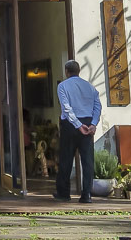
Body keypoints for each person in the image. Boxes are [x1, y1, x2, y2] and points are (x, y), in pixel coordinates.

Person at [54, 60, 102, 203]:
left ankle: (64, 193)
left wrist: (77, 124)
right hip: (87, 123)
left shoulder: (62, 86)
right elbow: (97, 106)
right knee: (87, 161)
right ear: (79, 71)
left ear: (66, 71)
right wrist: (93, 124)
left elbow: (66, 108)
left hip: (71, 125)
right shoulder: (90, 87)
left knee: (66, 159)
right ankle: (86, 194)